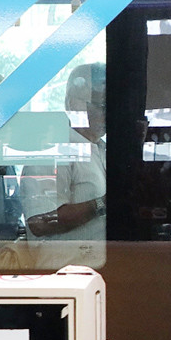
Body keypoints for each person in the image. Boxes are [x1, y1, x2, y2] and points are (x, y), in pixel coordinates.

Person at [26, 63, 107, 240]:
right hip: (66, 258)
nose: (108, 114)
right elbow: (40, 223)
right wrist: (102, 204)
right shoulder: (52, 150)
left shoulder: (102, 149)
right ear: (74, 104)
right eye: (101, 105)